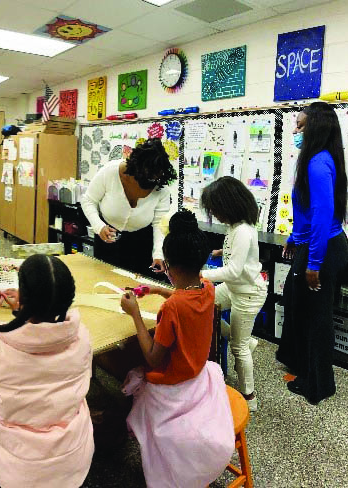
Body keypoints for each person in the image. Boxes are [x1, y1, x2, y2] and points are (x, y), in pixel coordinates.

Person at [0, 254, 93, 487]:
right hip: (71, 465)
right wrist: (26, 310)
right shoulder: (81, 337)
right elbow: (39, 336)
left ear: (24, 296)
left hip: (19, 474)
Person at [119, 211, 234, 486]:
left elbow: (154, 360)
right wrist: (159, 291)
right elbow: (186, 297)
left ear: (169, 266)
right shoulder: (207, 287)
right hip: (199, 374)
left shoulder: (172, 308)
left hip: (173, 385)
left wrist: (134, 313)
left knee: (132, 375)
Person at [278, 102, 348, 405]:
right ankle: (301, 365)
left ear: (317, 127)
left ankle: (317, 385)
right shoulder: (320, 159)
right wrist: (295, 237)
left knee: (315, 317)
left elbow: (322, 216)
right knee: (297, 303)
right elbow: (307, 213)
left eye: (301, 125)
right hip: (315, 243)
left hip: (324, 248)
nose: (296, 130)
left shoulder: (318, 163)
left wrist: (314, 263)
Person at [200, 176, 267, 411]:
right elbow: (237, 257)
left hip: (248, 292)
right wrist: (221, 251)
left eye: (216, 209)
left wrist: (201, 275)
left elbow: (235, 270)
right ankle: (245, 340)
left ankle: (250, 397)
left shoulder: (243, 231)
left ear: (228, 205)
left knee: (238, 350)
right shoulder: (235, 227)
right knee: (205, 304)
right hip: (235, 287)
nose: (215, 215)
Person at [82, 138, 177, 276]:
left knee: (137, 287)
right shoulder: (110, 172)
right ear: (134, 171)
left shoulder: (161, 188)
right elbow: (88, 201)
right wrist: (99, 226)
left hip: (140, 244)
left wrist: (158, 254)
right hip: (107, 239)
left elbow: (159, 224)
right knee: (104, 282)